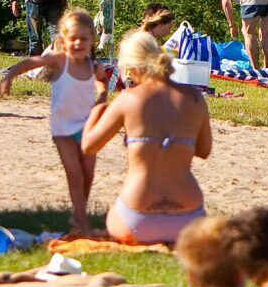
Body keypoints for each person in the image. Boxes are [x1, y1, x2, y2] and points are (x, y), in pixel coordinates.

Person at [83, 29, 211, 243]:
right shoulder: (194, 98)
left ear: (131, 68)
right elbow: (204, 151)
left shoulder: (128, 99)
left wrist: (101, 100)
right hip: (189, 217)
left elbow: (89, 145)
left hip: (137, 220)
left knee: (114, 217)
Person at [0, 7, 104, 238]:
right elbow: (30, 63)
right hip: (63, 130)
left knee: (88, 174)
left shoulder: (92, 66)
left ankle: (78, 214)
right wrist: (8, 77)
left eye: (83, 39)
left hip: (87, 128)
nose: (78, 43)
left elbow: (103, 80)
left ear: (92, 40)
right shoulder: (59, 60)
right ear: (63, 39)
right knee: (74, 174)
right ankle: (82, 221)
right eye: (73, 39)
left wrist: (102, 97)